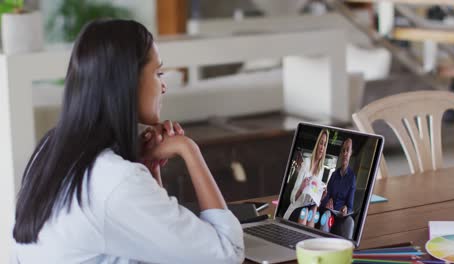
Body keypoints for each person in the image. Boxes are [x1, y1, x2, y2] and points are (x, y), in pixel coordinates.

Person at [12, 19, 244, 264]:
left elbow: (160, 246)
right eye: (158, 73)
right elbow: (227, 253)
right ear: (127, 82)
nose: (163, 86)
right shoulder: (116, 179)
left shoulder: (51, 149)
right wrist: (189, 150)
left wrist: (151, 169)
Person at [283, 129, 329, 227]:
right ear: (317, 144)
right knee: (307, 211)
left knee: (313, 209)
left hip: (308, 208)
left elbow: (314, 199)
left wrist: (321, 197)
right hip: (296, 208)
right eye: (321, 143)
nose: (322, 147)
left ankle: (307, 240)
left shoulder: (321, 170)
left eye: (325, 145)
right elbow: (292, 198)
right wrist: (301, 188)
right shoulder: (306, 164)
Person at [319, 138, 356, 238]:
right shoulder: (334, 174)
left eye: (348, 150)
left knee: (350, 222)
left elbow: (350, 206)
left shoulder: (352, 178)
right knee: (326, 215)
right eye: (343, 150)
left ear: (351, 153)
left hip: (341, 215)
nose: (345, 153)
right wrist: (327, 201)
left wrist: (346, 209)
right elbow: (327, 194)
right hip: (330, 212)